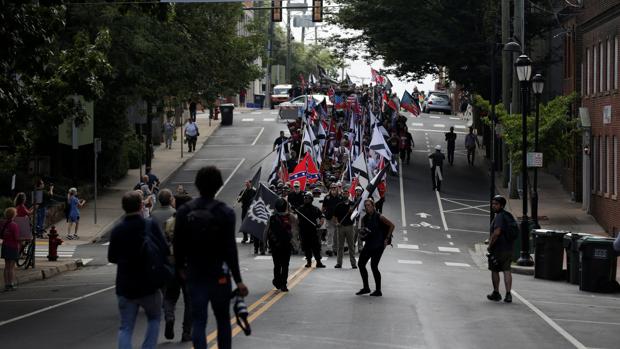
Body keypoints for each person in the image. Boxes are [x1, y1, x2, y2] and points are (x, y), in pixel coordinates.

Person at [173, 166, 248, 349]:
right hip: (219, 274)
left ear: (197, 185)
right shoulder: (225, 213)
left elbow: (177, 244)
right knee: (223, 320)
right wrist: (238, 280)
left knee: (199, 320)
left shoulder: (184, 212)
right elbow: (230, 250)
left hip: (195, 272)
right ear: (219, 185)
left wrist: (180, 269)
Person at [108, 191, 169, 349]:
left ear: (124, 208)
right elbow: (164, 249)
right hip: (149, 284)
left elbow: (112, 257)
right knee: (154, 319)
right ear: (141, 206)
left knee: (126, 327)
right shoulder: (149, 225)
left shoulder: (117, 230)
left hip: (126, 285)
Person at [163, 192, 193, 342]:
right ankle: (186, 332)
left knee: (170, 296)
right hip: (188, 265)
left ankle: (169, 316)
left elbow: (165, 243)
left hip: (173, 263)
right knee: (189, 300)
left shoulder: (169, 222)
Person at [356, 199, 394, 297]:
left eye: (369, 205)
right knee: (361, 264)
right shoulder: (364, 219)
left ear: (373, 206)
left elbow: (392, 225)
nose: (367, 207)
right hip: (369, 245)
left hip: (378, 245)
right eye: (366, 205)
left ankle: (378, 290)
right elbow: (363, 232)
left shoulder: (379, 216)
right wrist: (362, 234)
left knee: (374, 266)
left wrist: (387, 239)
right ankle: (366, 288)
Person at [486, 195, 514, 303]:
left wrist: (490, 245)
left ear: (502, 205)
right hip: (508, 247)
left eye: (496, 204)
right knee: (507, 270)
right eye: (492, 203)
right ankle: (508, 294)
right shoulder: (508, 216)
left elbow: (497, 232)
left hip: (498, 248)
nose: (493, 206)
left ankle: (496, 293)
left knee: (495, 270)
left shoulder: (499, 217)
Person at [265, 198, 297, 292]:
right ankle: (283, 284)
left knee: (277, 265)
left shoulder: (272, 217)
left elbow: (266, 231)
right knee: (285, 265)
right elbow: (295, 231)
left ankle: (277, 281)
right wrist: (295, 244)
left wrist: (264, 244)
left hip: (275, 245)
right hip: (286, 245)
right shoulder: (291, 216)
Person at [297, 192, 326, 268]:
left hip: (313, 230)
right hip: (303, 231)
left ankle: (318, 262)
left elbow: (322, 216)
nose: (306, 199)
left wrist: (320, 224)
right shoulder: (300, 209)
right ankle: (308, 262)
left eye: (308, 198)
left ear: (311, 199)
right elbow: (296, 219)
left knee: (316, 247)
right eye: (305, 198)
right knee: (306, 247)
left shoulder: (315, 209)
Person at [333, 195, 358, 269]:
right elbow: (334, 216)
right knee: (340, 246)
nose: (345, 195)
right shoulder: (339, 205)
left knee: (351, 246)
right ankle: (339, 263)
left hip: (350, 226)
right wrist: (336, 222)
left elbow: (356, 214)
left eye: (347, 193)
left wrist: (352, 211)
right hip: (341, 227)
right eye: (344, 193)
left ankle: (353, 264)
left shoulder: (353, 204)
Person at [1, 208, 20, 291]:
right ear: (13, 215)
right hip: (13, 246)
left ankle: (6, 284)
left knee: (6, 266)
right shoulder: (14, 225)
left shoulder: (3, 224)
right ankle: (11, 284)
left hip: (5, 246)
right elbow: (16, 237)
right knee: (11, 267)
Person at [322, 183, 342, 257]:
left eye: (334, 188)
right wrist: (324, 214)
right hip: (329, 218)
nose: (333, 189)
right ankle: (329, 249)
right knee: (330, 233)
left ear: (337, 188)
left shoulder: (340, 197)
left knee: (337, 235)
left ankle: (336, 249)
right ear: (330, 189)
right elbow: (323, 208)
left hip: (338, 219)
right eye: (332, 188)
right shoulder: (327, 197)